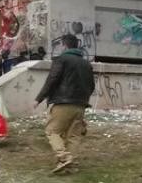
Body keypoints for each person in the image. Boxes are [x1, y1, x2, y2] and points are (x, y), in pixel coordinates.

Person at [33, 33, 96, 174]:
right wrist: (83, 99)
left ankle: (64, 157)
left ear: (64, 45)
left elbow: (52, 80)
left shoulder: (62, 60)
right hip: (80, 105)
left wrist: (39, 98)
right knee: (74, 135)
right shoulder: (86, 64)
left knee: (52, 131)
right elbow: (91, 85)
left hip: (62, 103)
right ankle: (69, 164)